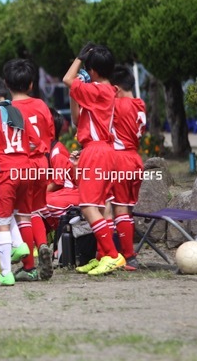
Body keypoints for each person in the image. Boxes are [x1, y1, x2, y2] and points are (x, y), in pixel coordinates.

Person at [62, 42, 125, 275]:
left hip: (97, 152)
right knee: (101, 206)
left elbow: (67, 79)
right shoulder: (102, 92)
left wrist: (78, 59)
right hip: (100, 150)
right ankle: (102, 256)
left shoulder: (98, 90)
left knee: (88, 206)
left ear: (94, 70)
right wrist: (76, 91)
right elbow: (78, 120)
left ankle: (111, 254)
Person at [0, 73, 39, 286]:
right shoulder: (18, 112)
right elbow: (34, 143)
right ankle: (19, 245)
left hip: (4, 174)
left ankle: (6, 274)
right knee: (10, 213)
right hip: (25, 171)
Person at [4, 58, 54, 281]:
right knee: (35, 211)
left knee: (22, 215)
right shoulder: (42, 105)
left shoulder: (8, 109)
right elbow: (50, 135)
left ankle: (29, 265)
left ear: (6, 84)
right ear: (32, 84)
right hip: (42, 164)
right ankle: (43, 244)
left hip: (21, 165)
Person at [109, 65, 146, 271]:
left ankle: (128, 257)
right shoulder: (139, 104)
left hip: (119, 159)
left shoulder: (117, 105)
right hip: (135, 159)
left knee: (119, 208)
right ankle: (127, 248)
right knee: (128, 208)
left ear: (115, 88)